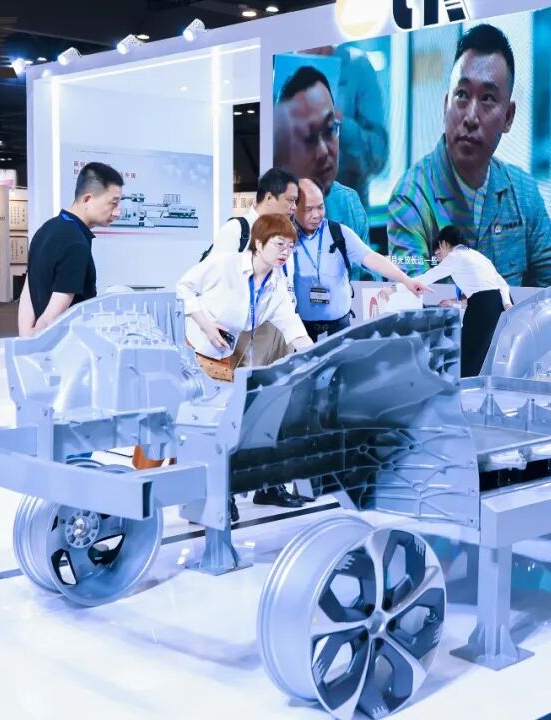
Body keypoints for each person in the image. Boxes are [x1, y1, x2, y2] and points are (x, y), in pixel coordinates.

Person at [387, 24, 551, 288]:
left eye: (488, 98)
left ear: (508, 116)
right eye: (461, 95)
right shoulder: (411, 197)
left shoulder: (523, 192)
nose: (470, 117)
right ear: (445, 105)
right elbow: (413, 301)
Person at [174, 214, 313, 513]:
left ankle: (246, 488)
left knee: (244, 419)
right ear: (259, 243)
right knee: (209, 426)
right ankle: (213, 497)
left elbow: (291, 325)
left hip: (231, 354)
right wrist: (206, 324)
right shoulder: (224, 264)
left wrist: (317, 356)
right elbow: (183, 287)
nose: (285, 252)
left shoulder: (275, 283)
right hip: (198, 351)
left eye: (291, 246)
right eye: (279, 244)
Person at [292, 178, 428, 341]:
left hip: (339, 328)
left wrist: (406, 280)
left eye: (320, 207)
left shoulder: (338, 232)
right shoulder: (285, 237)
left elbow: (372, 258)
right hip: (301, 330)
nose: (316, 215)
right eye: (308, 209)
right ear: (293, 207)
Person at [274, 66, 372, 274]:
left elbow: (367, 283)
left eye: (329, 130)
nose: (322, 151)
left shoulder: (348, 205)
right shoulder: (270, 207)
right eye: (308, 136)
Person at [380, 225, 513, 377]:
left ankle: (463, 387)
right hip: (494, 305)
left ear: (444, 243)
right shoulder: (478, 256)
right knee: (478, 351)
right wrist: (507, 303)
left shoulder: (455, 257)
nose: (439, 257)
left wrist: (394, 288)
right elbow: (501, 283)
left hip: (482, 306)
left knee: (469, 352)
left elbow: (425, 278)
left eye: (439, 251)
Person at [18, 162, 123, 337]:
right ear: (87, 199)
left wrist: (26, 336)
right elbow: (54, 316)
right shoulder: (76, 243)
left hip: (40, 340)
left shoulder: (45, 229)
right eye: (113, 203)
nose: (117, 212)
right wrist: (34, 339)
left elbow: (28, 290)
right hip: (64, 343)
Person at [299, 45, 389, 209]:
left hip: (345, 212)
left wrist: (337, 121)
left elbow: (378, 158)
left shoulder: (358, 68)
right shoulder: (280, 69)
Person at [205, 168, 299, 257]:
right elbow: (218, 268)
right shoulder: (235, 230)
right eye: (291, 200)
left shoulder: (286, 236)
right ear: (269, 198)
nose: (294, 207)